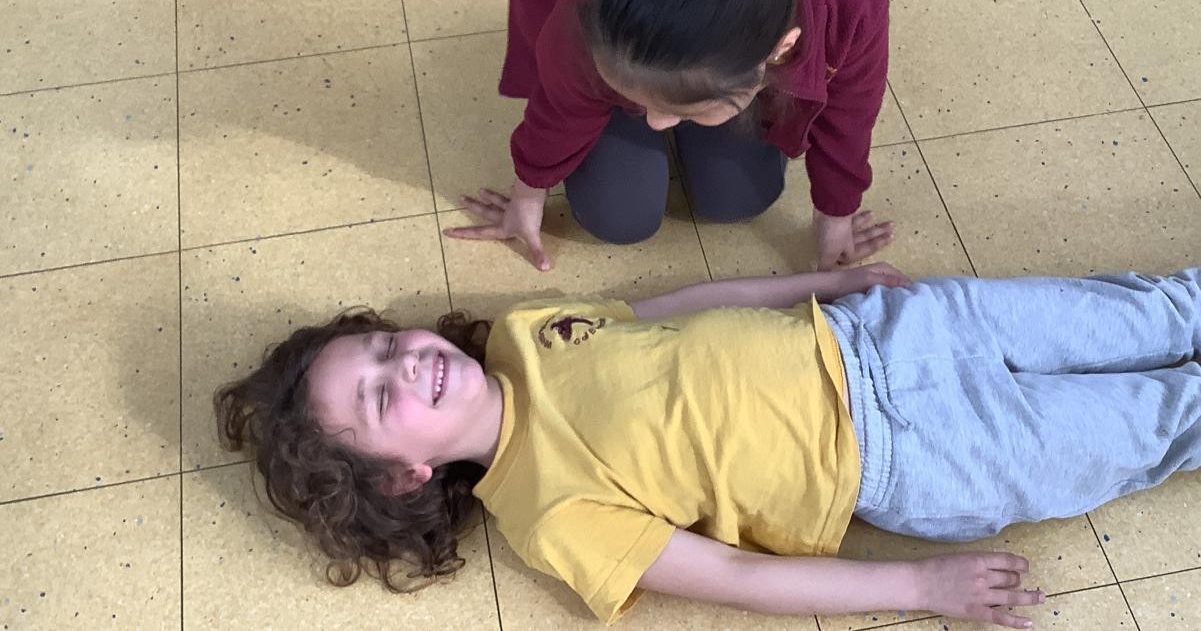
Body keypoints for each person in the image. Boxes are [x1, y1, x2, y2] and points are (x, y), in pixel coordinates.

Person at [216, 264, 1201, 628]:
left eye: (384, 346)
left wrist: (818, 283)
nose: (407, 362)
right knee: (1160, 417)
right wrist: (919, 586)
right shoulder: (546, 513)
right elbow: (734, 575)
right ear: (405, 475)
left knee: (1149, 310)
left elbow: (676, 309)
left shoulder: (524, 332)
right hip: (914, 453)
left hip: (885, 332)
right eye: (380, 396)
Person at [443, 0, 894, 272]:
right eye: (642, 102)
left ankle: (674, 96)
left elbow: (851, 114)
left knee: (740, 199)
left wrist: (836, 215)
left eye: (678, 111)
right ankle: (664, 95)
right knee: (618, 218)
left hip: (717, 42)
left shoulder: (853, 2)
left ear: (778, 50)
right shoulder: (595, 11)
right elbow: (561, 99)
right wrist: (528, 192)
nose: (656, 123)